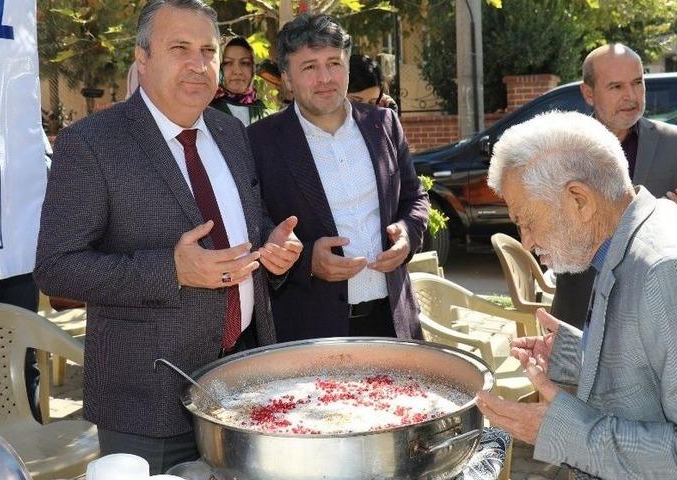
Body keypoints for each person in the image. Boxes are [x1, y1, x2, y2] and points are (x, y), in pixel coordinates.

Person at [34, 0, 301, 473]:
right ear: (143, 58)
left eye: (208, 50)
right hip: (146, 400)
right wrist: (170, 269)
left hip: (241, 379)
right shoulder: (92, 143)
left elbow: (248, 228)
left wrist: (271, 249)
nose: (199, 64)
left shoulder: (230, 133)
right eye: (180, 48)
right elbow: (57, 271)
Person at [477, 110, 677, 479]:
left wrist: (563, 432)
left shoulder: (669, 270)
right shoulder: (638, 231)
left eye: (526, 221)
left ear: (579, 199)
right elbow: (659, 367)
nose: (527, 241)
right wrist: (578, 352)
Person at [247, 14, 429, 341]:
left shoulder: (384, 125)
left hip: (393, 321)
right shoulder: (258, 142)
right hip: (311, 330)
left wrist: (406, 235)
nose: (325, 78)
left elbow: (414, 198)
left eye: (334, 63)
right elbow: (252, 225)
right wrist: (306, 261)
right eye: (309, 67)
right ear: (287, 79)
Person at [550, 43, 677, 329]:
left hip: (658, 312)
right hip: (581, 311)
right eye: (616, 87)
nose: (631, 96)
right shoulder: (561, 149)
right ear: (588, 93)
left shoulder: (674, 142)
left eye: (638, 83)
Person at [209, 37, 271, 126]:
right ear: (218, 67)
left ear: (253, 69)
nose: (237, 71)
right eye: (228, 63)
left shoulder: (267, 114)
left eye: (245, 63)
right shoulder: (204, 112)